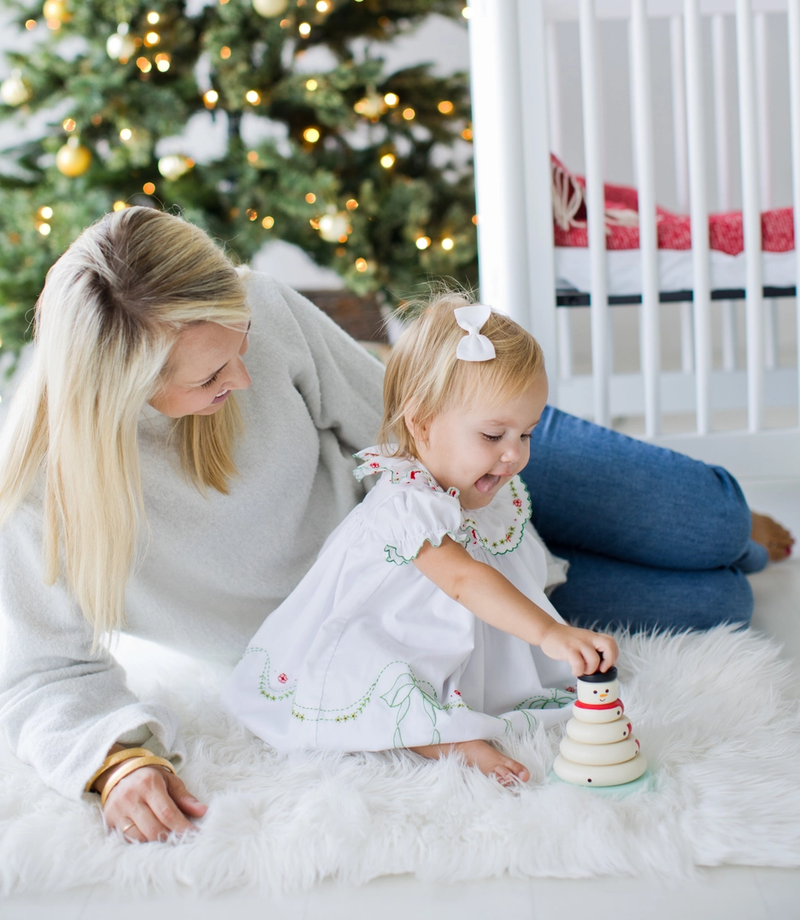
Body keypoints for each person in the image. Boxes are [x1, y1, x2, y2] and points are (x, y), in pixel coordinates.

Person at [0, 208, 789, 842]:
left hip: (446, 455)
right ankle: (698, 549)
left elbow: (386, 416)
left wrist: (487, 509)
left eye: (239, 345)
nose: (243, 377)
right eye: (210, 377)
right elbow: (44, 670)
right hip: (395, 599)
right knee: (714, 608)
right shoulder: (40, 485)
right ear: (124, 388)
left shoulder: (257, 310)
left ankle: (725, 527)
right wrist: (115, 761)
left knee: (708, 523)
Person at [221, 295, 619, 783]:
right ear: (423, 424)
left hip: (465, 630)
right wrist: (548, 633)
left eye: (527, 434)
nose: (514, 454)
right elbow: (463, 580)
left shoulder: (487, 481)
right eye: (494, 436)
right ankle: (442, 736)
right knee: (385, 682)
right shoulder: (408, 501)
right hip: (393, 628)